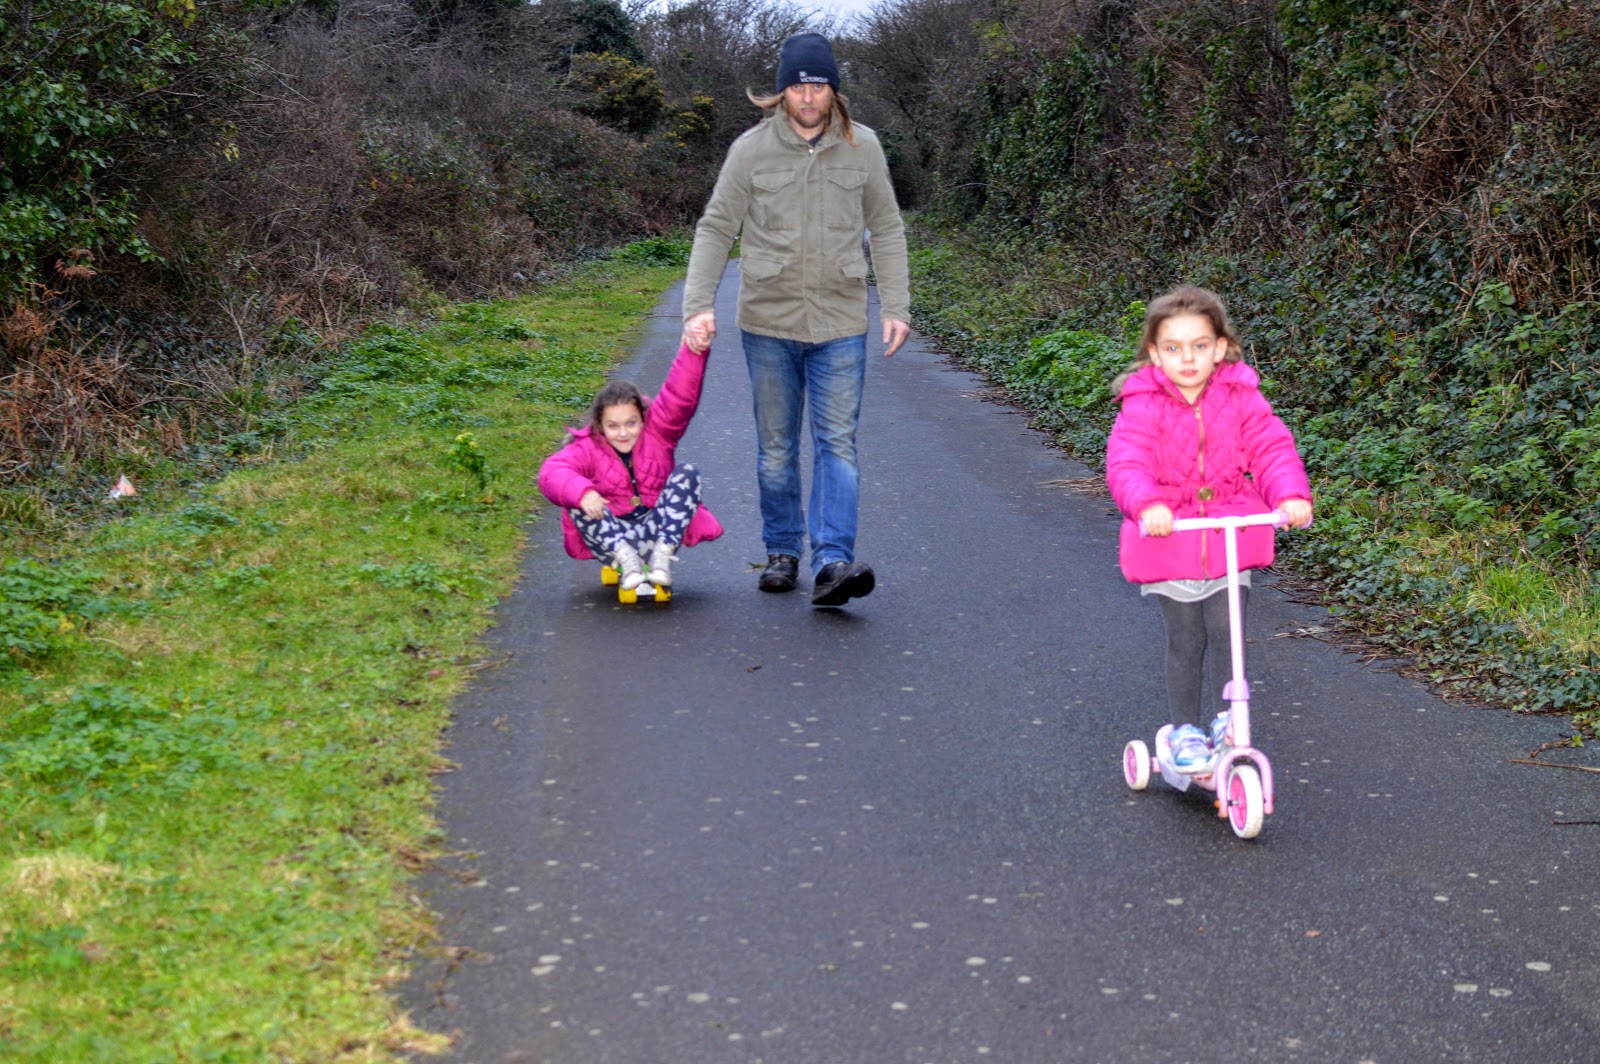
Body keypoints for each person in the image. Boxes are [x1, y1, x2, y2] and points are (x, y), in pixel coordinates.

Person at [681, 31, 911, 607]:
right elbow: (716, 227)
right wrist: (697, 305)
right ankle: (782, 551)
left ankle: (832, 561)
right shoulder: (750, 151)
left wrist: (896, 306)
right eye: (798, 86)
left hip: (841, 322)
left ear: (834, 90)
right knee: (777, 449)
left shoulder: (864, 147)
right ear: (781, 91)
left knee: (838, 445)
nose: (809, 97)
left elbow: (886, 227)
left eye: (819, 85)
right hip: (768, 322)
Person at [1105, 285, 1313, 773]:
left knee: (1228, 632)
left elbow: (1270, 449)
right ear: (1155, 352)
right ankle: (1184, 729)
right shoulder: (1143, 405)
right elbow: (1128, 462)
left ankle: (1226, 720)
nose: (1188, 358)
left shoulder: (1241, 398)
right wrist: (1148, 505)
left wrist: (1289, 495)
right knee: (1186, 638)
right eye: (1174, 347)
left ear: (1220, 348)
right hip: (1170, 538)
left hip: (1228, 533)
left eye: (1199, 345)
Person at [537, 326, 723, 591]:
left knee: (688, 473)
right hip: (611, 541)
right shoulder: (587, 447)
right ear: (599, 424)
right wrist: (583, 493)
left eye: (631, 423)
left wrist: (692, 352)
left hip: (656, 533)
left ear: (643, 418)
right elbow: (551, 471)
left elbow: (679, 397)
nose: (623, 433)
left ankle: (661, 559)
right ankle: (628, 563)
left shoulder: (657, 434)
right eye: (613, 426)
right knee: (576, 499)